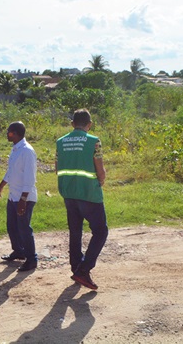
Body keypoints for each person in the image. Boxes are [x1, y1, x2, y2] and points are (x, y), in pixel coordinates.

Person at [56, 109, 108, 290]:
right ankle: (84, 270)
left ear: (72, 124)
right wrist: (101, 180)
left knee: (75, 231)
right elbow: (100, 170)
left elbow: (57, 166)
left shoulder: (60, 142)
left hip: (68, 193)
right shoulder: (94, 142)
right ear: (89, 124)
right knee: (101, 232)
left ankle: (76, 267)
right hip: (89, 194)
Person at [0, 121, 39, 272]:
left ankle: (31, 259)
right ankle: (19, 251)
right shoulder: (15, 149)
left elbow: (30, 178)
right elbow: (11, 171)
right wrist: (1, 186)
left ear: (15, 133)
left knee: (24, 228)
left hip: (23, 197)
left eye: (9, 131)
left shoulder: (27, 151)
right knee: (12, 226)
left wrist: (23, 199)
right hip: (13, 195)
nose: (7, 134)